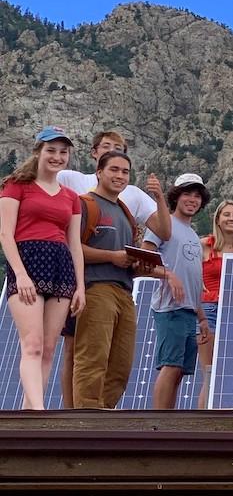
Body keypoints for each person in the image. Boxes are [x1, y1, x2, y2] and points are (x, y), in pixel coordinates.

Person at [57, 130, 169, 408]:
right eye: (114, 170)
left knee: (120, 366)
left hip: (125, 292)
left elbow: (162, 233)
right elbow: (72, 249)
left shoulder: (126, 212)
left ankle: (102, 416)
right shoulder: (85, 204)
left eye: (125, 172)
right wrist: (112, 256)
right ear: (99, 172)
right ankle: (85, 420)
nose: (120, 176)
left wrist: (137, 264)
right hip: (96, 290)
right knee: (92, 358)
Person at [0, 128, 86, 409]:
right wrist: (20, 273)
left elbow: (75, 244)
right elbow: (5, 234)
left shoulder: (72, 197)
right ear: (38, 151)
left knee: (49, 348)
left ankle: (29, 411)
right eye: (51, 150)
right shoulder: (16, 185)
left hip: (61, 268)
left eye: (63, 152)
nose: (57, 157)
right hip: (28, 263)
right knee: (33, 344)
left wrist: (80, 286)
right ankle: (39, 411)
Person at [144, 174, 211, 410]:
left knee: (180, 370)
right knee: (170, 366)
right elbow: (142, 259)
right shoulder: (164, 225)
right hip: (170, 308)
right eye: (187, 194)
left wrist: (201, 317)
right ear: (176, 196)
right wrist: (168, 274)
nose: (192, 199)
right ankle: (159, 424)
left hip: (190, 312)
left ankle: (169, 422)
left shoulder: (193, 235)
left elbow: (194, 281)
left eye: (197, 196)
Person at [197, 199, 233, 408]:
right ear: (217, 218)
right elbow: (189, 271)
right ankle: (202, 424)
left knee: (231, 372)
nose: (231, 219)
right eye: (227, 214)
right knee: (210, 372)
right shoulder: (205, 245)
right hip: (210, 310)